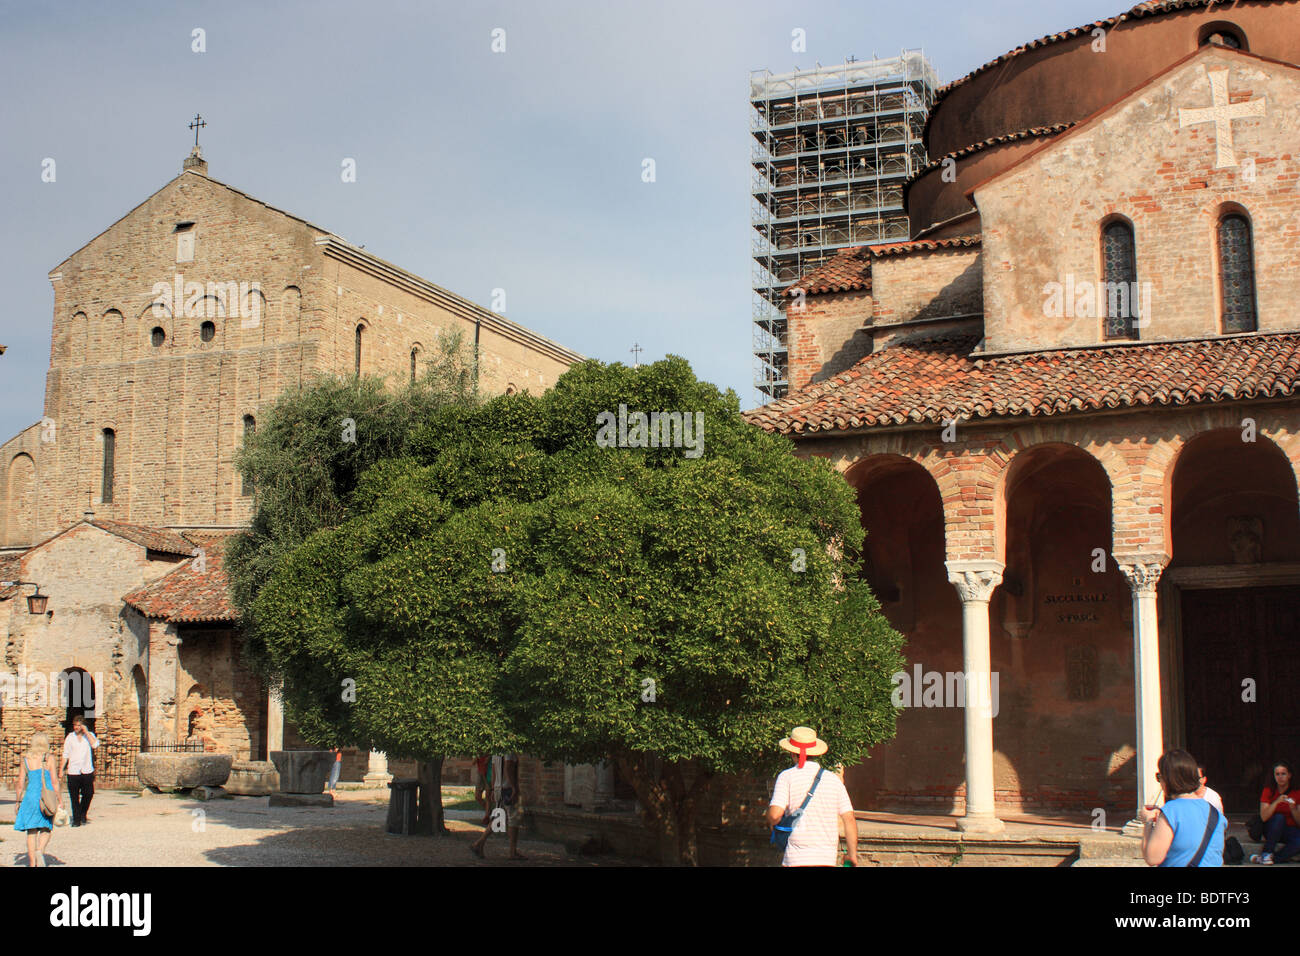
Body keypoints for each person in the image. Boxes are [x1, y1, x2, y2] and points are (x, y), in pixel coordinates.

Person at [766, 726, 859, 868]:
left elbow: (775, 815)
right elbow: (849, 819)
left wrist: (772, 821)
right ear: (816, 753)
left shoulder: (787, 777)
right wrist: (852, 855)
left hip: (796, 859)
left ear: (792, 752)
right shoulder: (833, 780)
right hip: (826, 859)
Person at [1139, 749, 1226, 867]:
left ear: (1168, 779)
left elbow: (1152, 858)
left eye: (1160, 776)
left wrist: (1148, 822)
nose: (1160, 782)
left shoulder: (1171, 811)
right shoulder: (1215, 813)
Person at [14, 732, 60, 866]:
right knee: (46, 828)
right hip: (44, 798)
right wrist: (59, 799)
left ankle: (33, 862)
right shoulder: (49, 758)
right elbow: (55, 781)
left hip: (30, 797)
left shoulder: (26, 759)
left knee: (31, 831)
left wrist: (18, 801)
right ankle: (40, 850)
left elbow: (20, 783)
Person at [470, 753, 525, 860]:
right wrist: (514, 787)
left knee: (499, 818)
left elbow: (494, 770)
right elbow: (508, 766)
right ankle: (512, 851)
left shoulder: (496, 753)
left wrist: (493, 788)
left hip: (499, 788)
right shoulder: (509, 751)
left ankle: (479, 844)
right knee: (513, 818)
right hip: (507, 789)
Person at [1251, 760, 1300, 864]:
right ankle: (1266, 852)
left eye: (1283, 774)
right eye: (1277, 774)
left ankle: (1272, 858)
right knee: (1279, 817)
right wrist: (1276, 802)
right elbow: (1264, 817)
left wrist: (1293, 809)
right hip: (1271, 829)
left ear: (1289, 775)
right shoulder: (1269, 790)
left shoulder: (1297, 793)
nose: (1280, 777)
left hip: (1289, 830)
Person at [60, 716, 98, 827]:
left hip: (86, 770)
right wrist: (61, 769)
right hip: (73, 770)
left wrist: (86, 732)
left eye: (78, 725)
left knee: (89, 793)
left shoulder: (89, 736)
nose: (76, 727)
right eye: (75, 725)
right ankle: (76, 819)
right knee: (74, 796)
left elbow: (95, 745)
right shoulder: (70, 737)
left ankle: (83, 813)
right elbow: (65, 754)